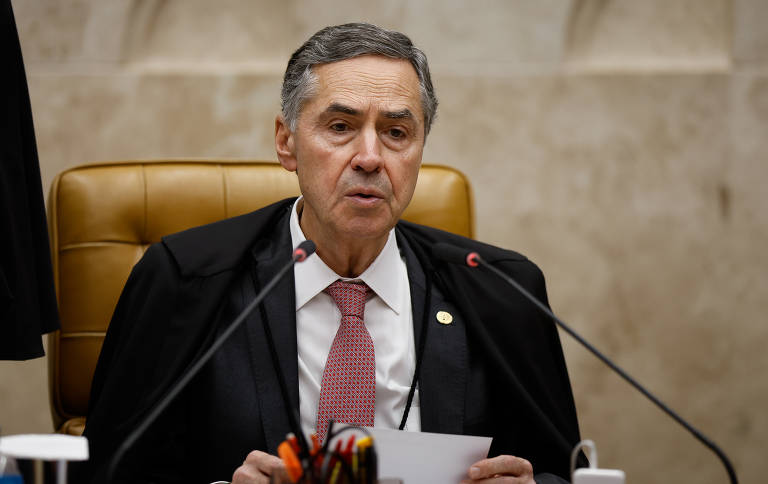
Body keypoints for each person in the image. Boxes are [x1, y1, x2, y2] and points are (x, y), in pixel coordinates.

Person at [75, 23, 583, 484]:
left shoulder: (500, 288)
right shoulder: (186, 279)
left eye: (397, 132)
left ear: (421, 149)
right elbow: (108, 472)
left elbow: (564, 470)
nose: (369, 157)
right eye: (340, 127)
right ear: (286, 142)